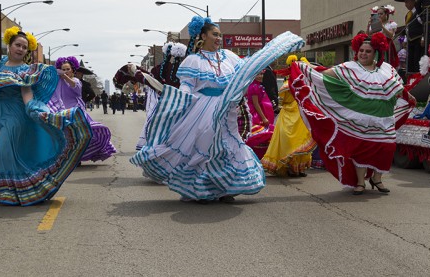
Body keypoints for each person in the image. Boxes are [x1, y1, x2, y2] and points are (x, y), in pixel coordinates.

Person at [130, 16, 305, 202]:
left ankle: (226, 189)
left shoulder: (229, 56)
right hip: (203, 109)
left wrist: (271, 53)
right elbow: (187, 86)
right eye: (215, 34)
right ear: (203, 36)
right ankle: (203, 189)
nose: (218, 38)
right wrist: (181, 101)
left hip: (227, 108)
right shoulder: (193, 61)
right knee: (206, 147)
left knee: (229, 146)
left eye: (220, 35)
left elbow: (245, 72)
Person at [0, 27, 92, 206]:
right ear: (9, 45)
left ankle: (11, 194)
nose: (21, 49)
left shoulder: (26, 70)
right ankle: (18, 193)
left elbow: (27, 93)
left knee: (4, 151)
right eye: (18, 45)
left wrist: (33, 108)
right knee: (6, 154)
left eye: (25, 47)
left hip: (16, 117)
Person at [289, 32, 415, 195]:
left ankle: (377, 179)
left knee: (386, 148)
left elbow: (397, 88)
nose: (363, 53)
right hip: (360, 119)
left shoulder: (387, 69)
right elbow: (325, 73)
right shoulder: (350, 67)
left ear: (376, 53)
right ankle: (360, 182)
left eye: (368, 51)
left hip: (384, 118)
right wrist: (304, 67)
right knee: (363, 149)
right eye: (361, 50)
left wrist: (408, 95)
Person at [49, 57, 116, 162]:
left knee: (80, 135)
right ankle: (68, 156)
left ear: (73, 70)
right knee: (65, 136)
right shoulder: (58, 82)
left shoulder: (76, 81)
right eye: (63, 69)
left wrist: (64, 76)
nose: (66, 71)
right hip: (62, 111)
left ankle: (78, 156)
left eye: (68, 69)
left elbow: (75, 87)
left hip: (75, 112)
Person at [261, 76, 316, 177]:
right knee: (296, 140)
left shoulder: (290, 85)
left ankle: (298, 168)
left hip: (296, 114)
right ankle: (294, 168)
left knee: (298, 141)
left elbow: (281, 101)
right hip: (296, 114)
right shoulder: (300, 84)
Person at [245, 69, 275, 159]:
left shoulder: (255, 85)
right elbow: (256, 104)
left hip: (254, 112)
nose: (260, 76)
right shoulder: (254, 87)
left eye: (261, 74)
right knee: (261, 135)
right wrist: (264, 117)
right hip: (254, 114)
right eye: (258, 75)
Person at [393, 0, 423, 73]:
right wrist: (405, 39)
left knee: (417, 59)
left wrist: (423, 37)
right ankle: (411, 77)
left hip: (418, 39)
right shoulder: (407, 15)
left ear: (414, 1)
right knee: (410, 61)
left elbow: (424, 25)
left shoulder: (419, 12)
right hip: (410, 41)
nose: (405, 4)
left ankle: (417, 76)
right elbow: (407, 28)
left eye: (407, 2)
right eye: (405, 2)